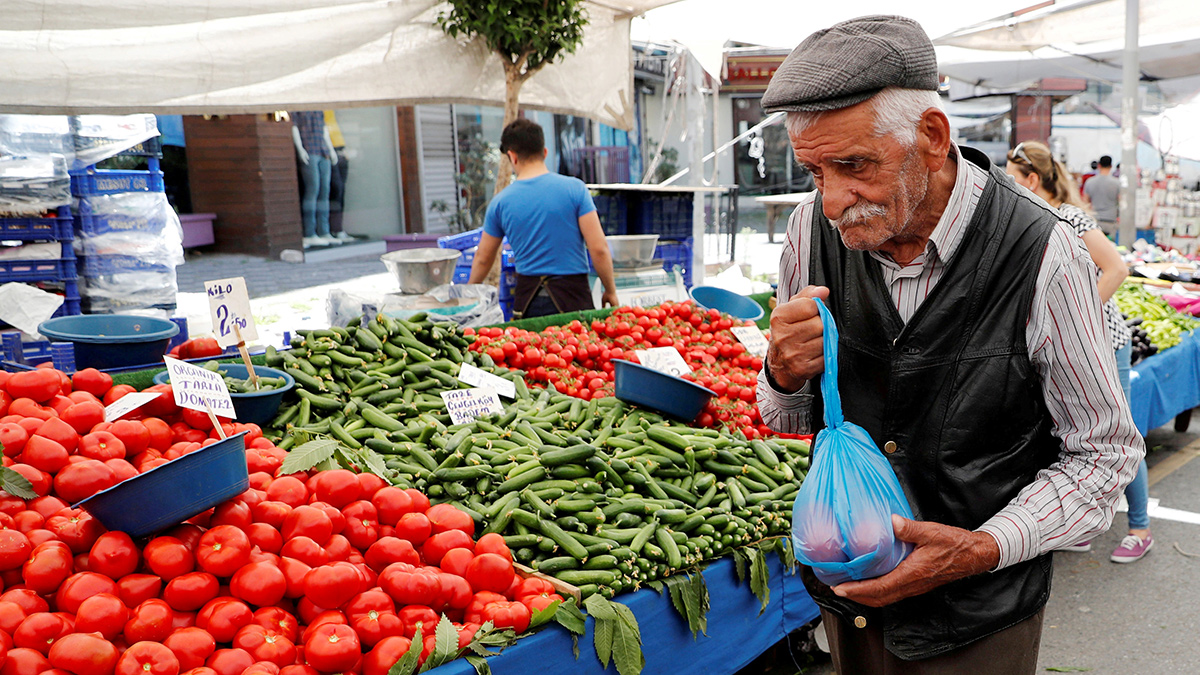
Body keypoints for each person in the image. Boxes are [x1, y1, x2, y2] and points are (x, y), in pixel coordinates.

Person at [756, 15, 1143, 673]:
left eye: (853, 165)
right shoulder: (808, 233)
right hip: (848, 603)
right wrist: (781, 371)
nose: (830, 201)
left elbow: (1104, 453)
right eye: (814, 170)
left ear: (932, 137)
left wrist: (982, 547)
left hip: (978, 622)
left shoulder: (1042, 252)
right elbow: (786, 418)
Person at [1005, 141, 1151, 563]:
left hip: (1107, 344)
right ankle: (1082, 525)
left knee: (1115, 435)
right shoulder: (1029, 222)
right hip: (1063, 350)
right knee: (1070, 435)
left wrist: (1074, 319)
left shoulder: (1069, 218)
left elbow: (1117, 268)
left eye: (1013, 180)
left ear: (1033, 180)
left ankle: (1140, 527)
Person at [469, 118, 618, 318]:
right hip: (574, 299)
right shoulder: (575, 189)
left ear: (512, 157)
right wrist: (610, 290)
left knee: (534, 348)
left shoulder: (500, 202)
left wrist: (467, 294)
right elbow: (599, 249)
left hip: (529, 303)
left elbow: (483, 259)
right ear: (544, 152)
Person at [291, 110, 340, 248]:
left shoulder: (318, 108)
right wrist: (300, 149)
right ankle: (310, 233)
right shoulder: (297, 108)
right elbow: (294, 127)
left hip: (323, 151)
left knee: (324, 191)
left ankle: (324, 231)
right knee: (313, 190)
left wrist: (330, 149)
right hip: (309, 150)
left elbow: (324, 129)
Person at [1084, 155, 1121, 236]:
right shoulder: (1117, 183)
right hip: (1111, 221)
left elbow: (1085, 202)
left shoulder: (1089, 182)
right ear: (1111, 166)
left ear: (1099, 165)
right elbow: (1120, 201)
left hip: (1094, 221)